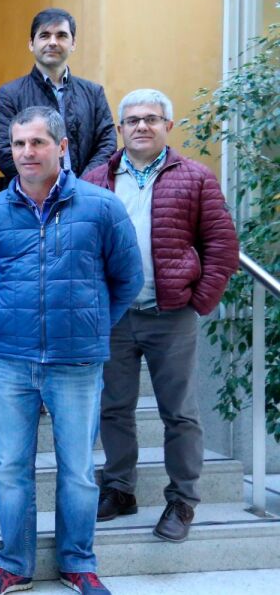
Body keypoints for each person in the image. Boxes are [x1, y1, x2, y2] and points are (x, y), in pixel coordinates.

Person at [0, 106, 142, 595]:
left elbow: (128, 279)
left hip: (76, 363)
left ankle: (78, 562)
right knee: (11, 470)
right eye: (18, 144)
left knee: (79, 472)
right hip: (11, 362)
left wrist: (90, 325)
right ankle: (13, 563)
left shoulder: (101, 207)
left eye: (38, 142)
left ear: (62, 147)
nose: (26, 152)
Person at [82, 89, 238, 542]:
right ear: (120, 129)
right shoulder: (95, 180)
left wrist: (199, 300)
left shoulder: (195, 178)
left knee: (180, 413)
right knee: (114, 408)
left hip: (171, 316)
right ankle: (119, 488)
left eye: (151, 118)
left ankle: (182, 499)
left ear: (168, 125)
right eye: (132, 120)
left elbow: (222, 247)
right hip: (115, 318)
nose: (141, 126)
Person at [0, 8, 117, 179]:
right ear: (31, 44)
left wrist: (82, 185)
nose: (53, 42)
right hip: (34, 192)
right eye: (44, 36)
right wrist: (51, 186)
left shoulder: (94, 93)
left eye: (61, 36)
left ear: (73, 44)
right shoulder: (9, 95)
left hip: (87, 190)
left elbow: (107, 145)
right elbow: (5, 152)